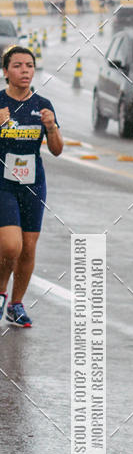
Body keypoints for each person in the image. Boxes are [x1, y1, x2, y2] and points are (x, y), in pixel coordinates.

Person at [0, 46, 63, 327]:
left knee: (28, 248)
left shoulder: (43, 104)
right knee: (10, 246)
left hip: (33, 184)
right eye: (17, 66)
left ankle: (16, 304)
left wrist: (51, 127)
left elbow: (57, 150)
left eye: (29, 65)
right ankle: (1, 294)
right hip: (3, 182)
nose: (24, 70)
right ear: (5, 72)